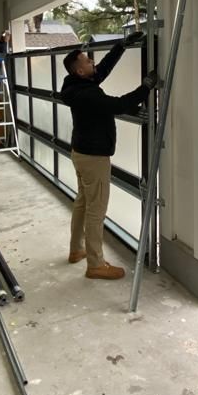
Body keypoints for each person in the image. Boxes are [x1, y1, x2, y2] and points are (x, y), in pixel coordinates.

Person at [60, 34, 157, 280]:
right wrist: (146, 87)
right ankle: (95, 264)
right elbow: (118, 105)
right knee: (96, 210)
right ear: (80, 71)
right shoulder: (88, 94)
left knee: (83, 202)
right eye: (87, 60)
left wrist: (120, 46)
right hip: (93, 157)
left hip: (80, 152)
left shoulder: (75, 84)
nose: (93, 61)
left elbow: (101, 71)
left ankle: (76, 250)